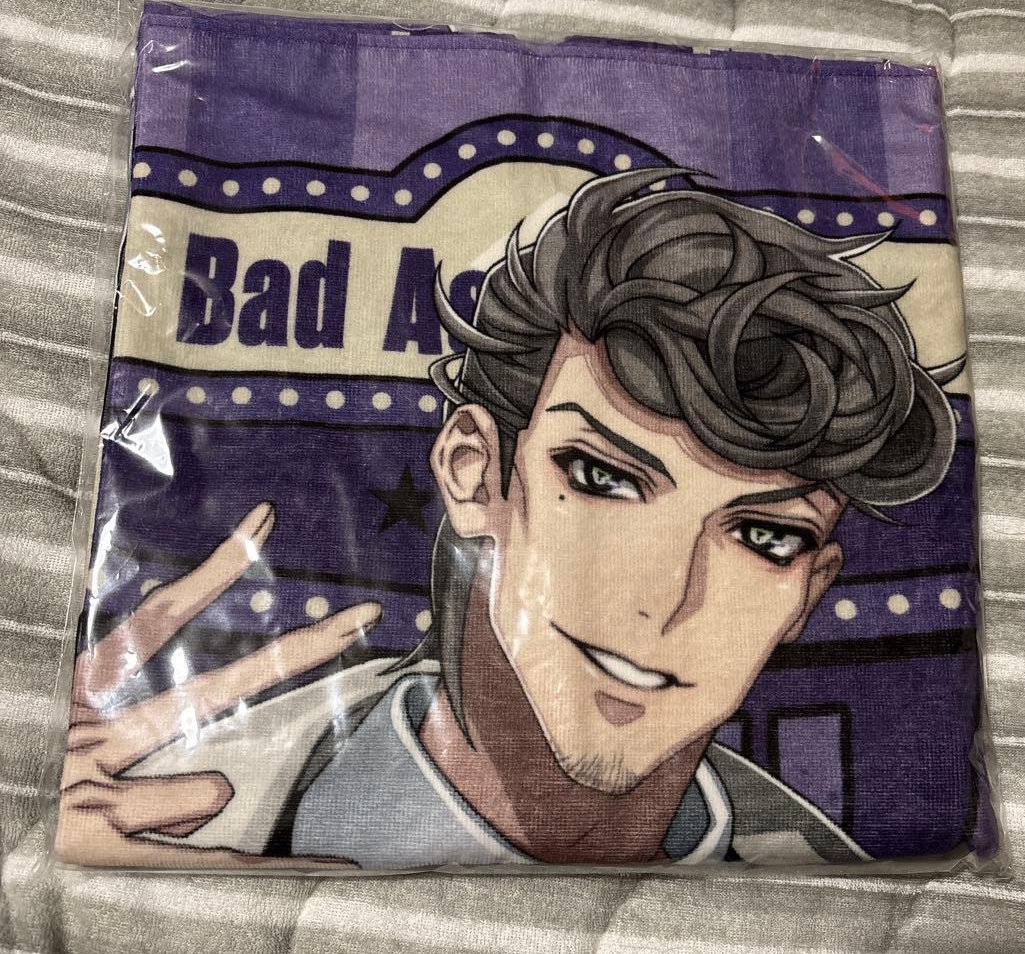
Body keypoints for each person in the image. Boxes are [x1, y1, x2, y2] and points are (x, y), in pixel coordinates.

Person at [56, 169, 960, 869]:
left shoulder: (846, 870)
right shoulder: (151, 797)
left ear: (810, 590)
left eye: (764, 537)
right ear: (475, 473)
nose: (663, 602)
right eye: (603, 478)